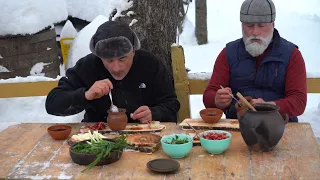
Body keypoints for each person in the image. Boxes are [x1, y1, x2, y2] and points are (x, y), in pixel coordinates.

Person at [45, 21, 180, 124]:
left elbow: (172, 104)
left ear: (133, 51)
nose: (116, 68)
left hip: (145, 135)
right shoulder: (88, 66)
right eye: (108, 60)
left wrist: (155, 113)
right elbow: (52, 104)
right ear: (99, 57)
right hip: (98, 137)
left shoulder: (150, 64)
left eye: (122, 59)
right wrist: (86, 95)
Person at [203, 0, 307, 122]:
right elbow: (209, 93)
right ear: (241, 25)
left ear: (273, 24)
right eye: (249, 25)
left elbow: (299, 101)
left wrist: (269, 106)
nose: (255, 32)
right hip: (237, 126)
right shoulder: (228, 53)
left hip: (280, 127)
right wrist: (217, 99)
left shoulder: (291, 55)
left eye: (261, 25)